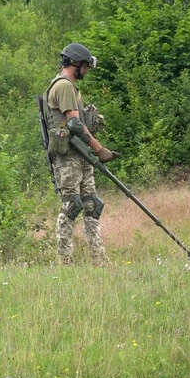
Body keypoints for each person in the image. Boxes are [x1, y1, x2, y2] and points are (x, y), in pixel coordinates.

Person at [43, 43, 119, 266]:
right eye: (85, 66)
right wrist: (98, 148)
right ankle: (64, 261)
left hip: (79, 154)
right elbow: (74, 124)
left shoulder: (72, 87)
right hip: (68, 156)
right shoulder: (64, 86)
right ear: (76, 63)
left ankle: (99, 259)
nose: (86, 70)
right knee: (72, 205)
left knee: (92, 204)